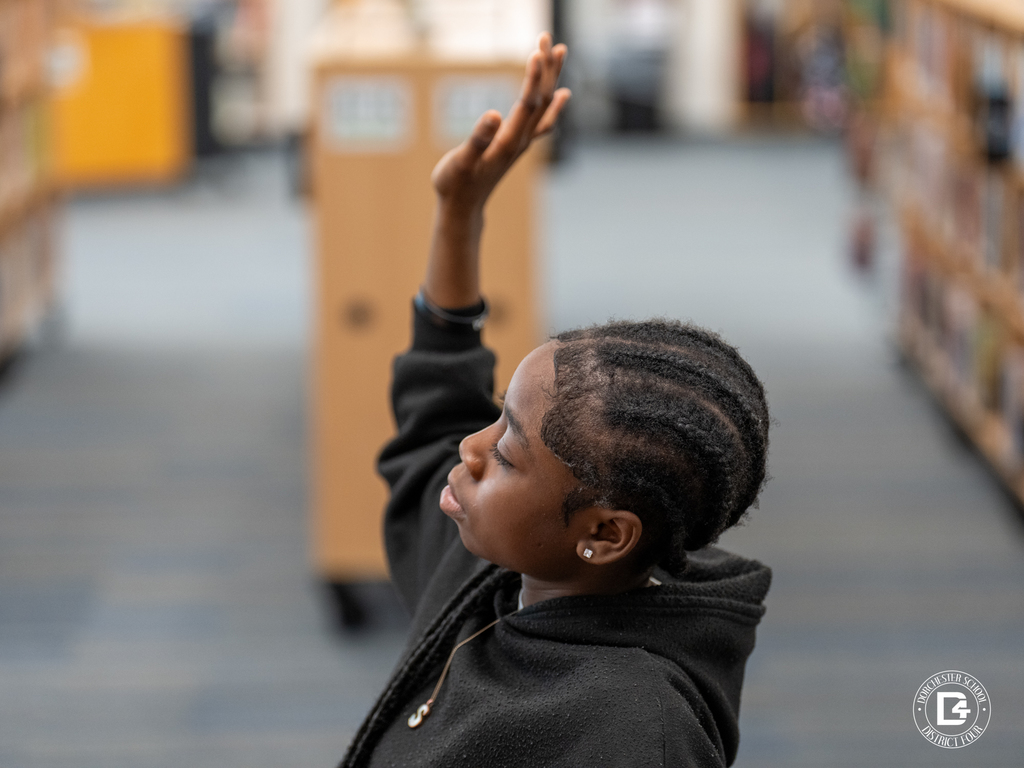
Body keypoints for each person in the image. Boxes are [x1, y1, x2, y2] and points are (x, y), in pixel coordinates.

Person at [338, 34, 772, 768]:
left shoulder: (634, 734)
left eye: (506, 452)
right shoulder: (504, 573)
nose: (469, 450)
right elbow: (432, 423)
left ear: (604, 534)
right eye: (497, 420)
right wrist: (458, 216)